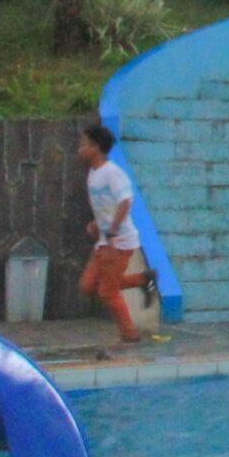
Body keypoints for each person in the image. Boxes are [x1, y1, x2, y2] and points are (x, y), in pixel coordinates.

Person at [75, 124, 145, 345]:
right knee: (87, 285)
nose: (79, 149)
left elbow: (125, 201)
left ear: (96, 148)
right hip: (104, 239)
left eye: (83, 145)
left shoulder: (111, 172)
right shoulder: (93, 173)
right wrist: (97, 224)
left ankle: (129, 334)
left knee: (107, 292)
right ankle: (144, 280)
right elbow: (108, 205)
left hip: (119, 241)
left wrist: (113, 230)